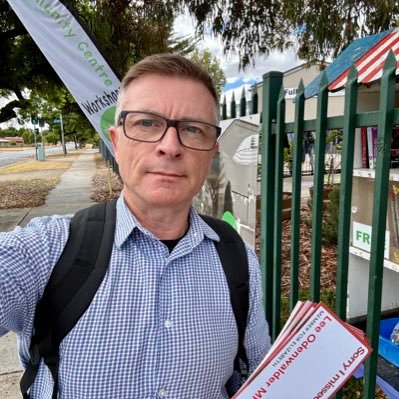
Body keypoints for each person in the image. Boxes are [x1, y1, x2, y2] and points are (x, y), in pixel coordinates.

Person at [0, 53, 270, 398]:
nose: (169, 147)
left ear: (211, 152)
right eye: (146, 124)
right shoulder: (48, 249)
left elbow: (256, 380)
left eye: (192, 129)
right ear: (116, 141)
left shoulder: (238, 259)